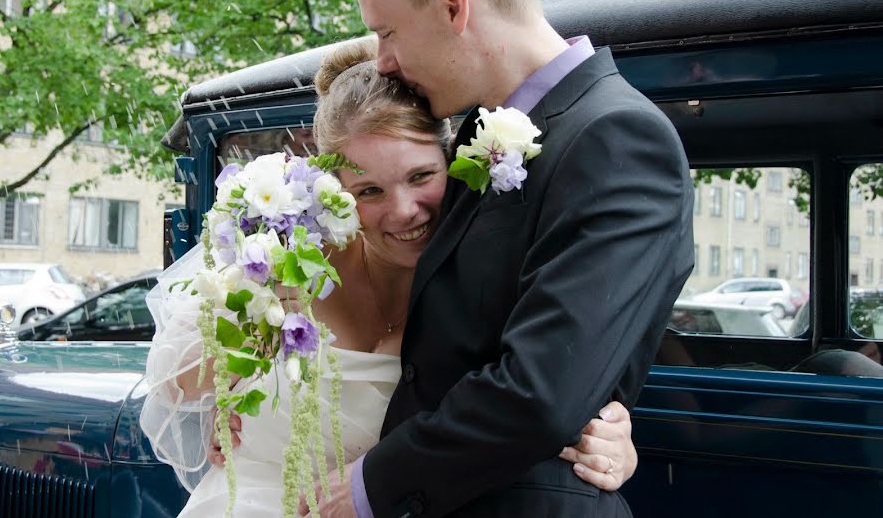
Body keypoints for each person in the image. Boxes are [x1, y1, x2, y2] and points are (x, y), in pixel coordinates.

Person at [141, 38, 639, 517]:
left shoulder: (492, 273)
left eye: (421, 176)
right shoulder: (289, 261)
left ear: (454, 159)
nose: (404, 212)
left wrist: (612, 437)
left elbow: (537, 393)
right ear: (329, 190)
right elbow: (176, 386)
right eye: (370, 191)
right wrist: (243, 349)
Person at [306, 0, 694, 516]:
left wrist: (372, 486)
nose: (381, 58)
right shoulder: (475, 133)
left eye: (386, 31)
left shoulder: (616, 138)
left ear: (452, 4)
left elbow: (543, 392)